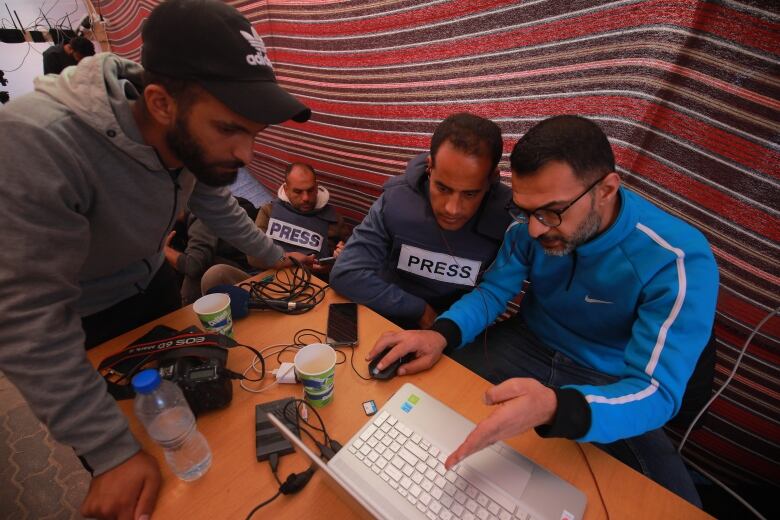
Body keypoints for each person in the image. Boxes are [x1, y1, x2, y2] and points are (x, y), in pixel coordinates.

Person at [0, 0, 314, 518]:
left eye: (253, 134)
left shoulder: (180, 132)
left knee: (199, 418)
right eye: (231, 129)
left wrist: (275, 257)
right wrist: (110, 453)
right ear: (161, 102)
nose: (246, 156)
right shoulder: (35, 144)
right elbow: (25, 322)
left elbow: (214, 201)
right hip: (80, 325)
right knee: (138, 463)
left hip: (154, 289)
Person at [368, 115, 719, 506]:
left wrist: (557, 406)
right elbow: (494, 292)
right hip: (526, 344)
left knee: (675, 504)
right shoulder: (527, 228)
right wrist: (440, 333)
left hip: (607, 377)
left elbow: (656, 391)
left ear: (606, 190)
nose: (534, 230)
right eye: (525, 209)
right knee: (417, 399)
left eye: (551, 212)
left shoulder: (677, 260)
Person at [329, 113, 513, 329]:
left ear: (491, 178)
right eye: (442, 188)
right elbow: (346, 273)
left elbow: (496, 292)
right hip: (388, 316)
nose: (452, 209)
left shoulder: (510, 219)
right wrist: (418, 310)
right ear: (429, 166)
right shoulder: (395, 200)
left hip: (456, 330)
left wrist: (446, 329)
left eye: (470, 194)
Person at [164, 197, 260, 305]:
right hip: (234, 273)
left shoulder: (201, 212)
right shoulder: (175, 227)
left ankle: (184, 317)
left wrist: (163, 251)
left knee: (201, 268)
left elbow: (193, 266)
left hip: (250, 274)